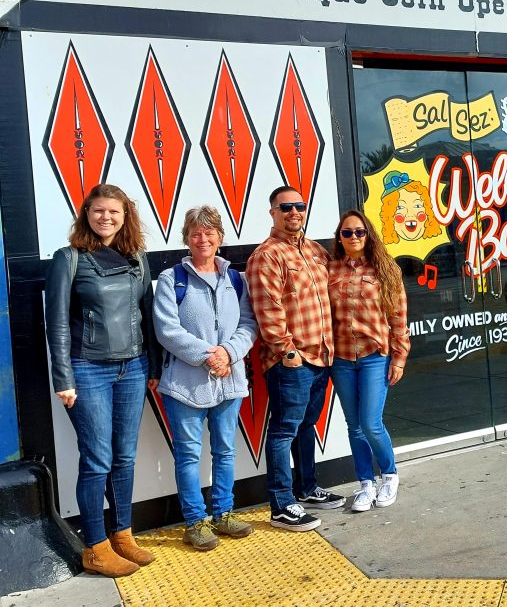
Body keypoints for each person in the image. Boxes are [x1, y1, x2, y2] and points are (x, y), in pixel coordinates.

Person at [43, 184, 160, 577]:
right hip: (88, 370)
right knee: (97, 460)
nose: (105, 217)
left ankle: (123, 535)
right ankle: (95, 546)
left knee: (124, 456)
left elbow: (148, 318)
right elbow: (57, 323)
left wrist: (153, 368)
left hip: (133, 368)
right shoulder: (69, 258)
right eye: (98, 211)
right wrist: (64, 378)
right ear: (86, 214)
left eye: (114, 212)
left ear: (125, 216)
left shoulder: (137, 258)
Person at [154, 206, 258, 550]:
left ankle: (223, 514)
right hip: (185, 385)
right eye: (196, 233)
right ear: (186, 238)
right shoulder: (172, 279)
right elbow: (167, 330)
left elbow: (248, 323)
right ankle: (195, 522)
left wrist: (227, 353)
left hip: (229, 381)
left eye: (210, 232)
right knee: (188, 455)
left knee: (225, 451)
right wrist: (209, 356)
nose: (203, 239)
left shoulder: (234, 278)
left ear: (220, 237)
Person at [247, 186, 344, 532]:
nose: (293, 212)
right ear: (272, 212)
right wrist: (287, 351)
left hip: (322, 356)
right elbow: (267, 308)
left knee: (306, 426)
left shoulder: (317, 252)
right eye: (285, 207)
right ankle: (281, 503)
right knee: (284, 429)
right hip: (293, 360)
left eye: (299, 206)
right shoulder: (267, 255)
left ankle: (306, 487)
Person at [328, 210, 411, 510]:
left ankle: (389, 474)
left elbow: (398, 317)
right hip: (341, 359)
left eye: (359, 232)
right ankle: (366, 483)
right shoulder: (331, 270)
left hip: (374, 357)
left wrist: (399, 358)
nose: (353, 237)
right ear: (339, 237)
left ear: (368, 235)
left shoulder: (385, 269)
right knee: (354, 425)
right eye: (347, 232)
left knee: (370, 422)